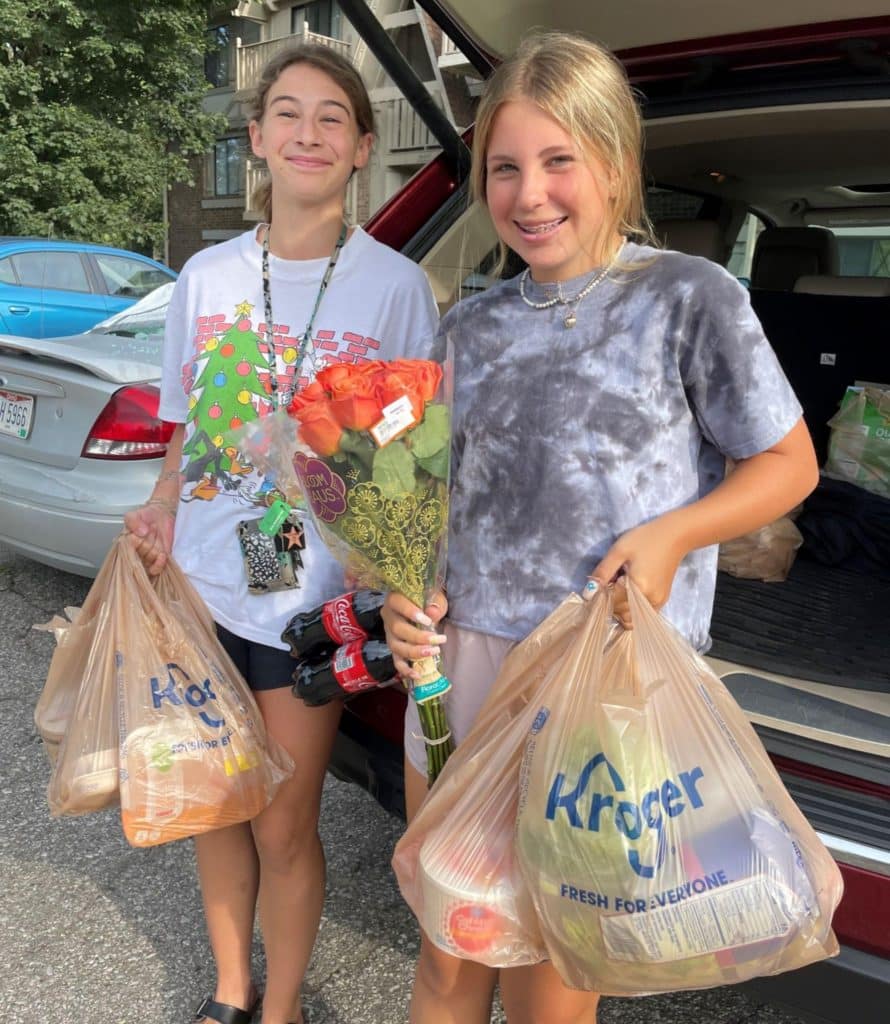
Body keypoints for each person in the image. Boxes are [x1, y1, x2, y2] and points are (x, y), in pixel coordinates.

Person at [382, 29, 819, 1024]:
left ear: (614, 163)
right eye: (503, 168)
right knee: (452, 950)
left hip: (602, 684)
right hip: (467, 664)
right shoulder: (468, 326)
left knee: (556, 966)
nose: (528, 194)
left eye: (556, 161)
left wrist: (671, 535)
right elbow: (421, 499)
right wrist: (402, 597)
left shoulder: (685, 297)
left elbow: (787, 465)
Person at [124, 44, 438, 1024]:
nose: (308, 132)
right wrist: (161, 504)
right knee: (211, 801)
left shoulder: (392, 288)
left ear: (358, 150)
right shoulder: (207, 276)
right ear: (255, 138)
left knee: (282, 821)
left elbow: (406, 464)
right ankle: (230, 992)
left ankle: (283, 1006)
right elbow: (184, 429)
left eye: (332, 117)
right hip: (199, 582)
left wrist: (395, 584)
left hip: (306, 600)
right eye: (288, 114)